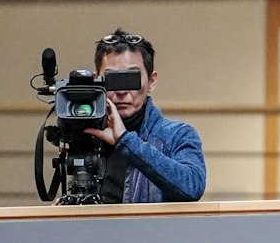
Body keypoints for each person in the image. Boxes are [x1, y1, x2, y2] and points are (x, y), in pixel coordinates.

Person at [88, 29, 206, 203]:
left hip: (151, 231)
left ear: (151, 82)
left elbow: (192, 187)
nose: (121, 91)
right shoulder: (88, 137)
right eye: (113, 79)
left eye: (131, 78)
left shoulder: (177, 135)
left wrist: (125, 140)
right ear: (97, 82)